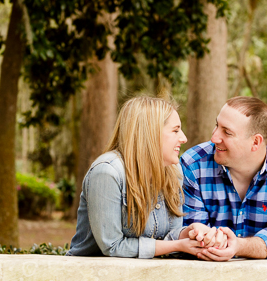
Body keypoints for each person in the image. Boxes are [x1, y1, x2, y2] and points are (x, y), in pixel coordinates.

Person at [67, 96, 224, 258]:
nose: (184, 138)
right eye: (175, 130)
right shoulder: (108, 173)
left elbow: (169, 235)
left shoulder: (173, 170)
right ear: (150, 133)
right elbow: (112, 246)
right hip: (92, 276)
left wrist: (189, 232)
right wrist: (178, 245)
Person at [180, 96, 267, 260]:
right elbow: (191, 232)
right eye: (217, 126)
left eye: (227, 132)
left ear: (256, 142)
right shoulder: (193, 164)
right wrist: (204, 238)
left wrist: (238, 246)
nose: (214, 138)